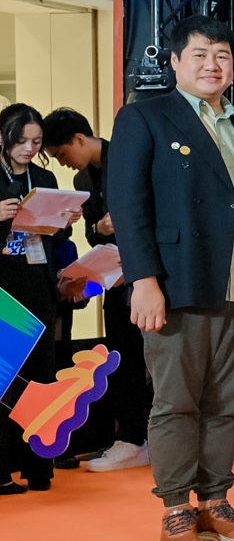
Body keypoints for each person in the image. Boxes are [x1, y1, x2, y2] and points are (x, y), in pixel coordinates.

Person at [107, 17, 234, 541]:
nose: (212, 65)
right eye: (200, 54)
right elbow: (128, 205)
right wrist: (144, 281)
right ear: (175, 62)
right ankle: (176, 509)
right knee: (176, 401)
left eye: (222, 55)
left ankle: (215, 502)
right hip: (177, 284)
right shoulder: (144, 116)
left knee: (227, 403)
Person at [42, 107, 153, 474]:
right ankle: (132, 437)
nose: (63, 163)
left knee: (159, 358)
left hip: (149, 274)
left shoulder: (129, 156)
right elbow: (93, 234)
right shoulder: (82, 181)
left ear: (79, 139)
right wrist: (100, 230)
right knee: (122, 354)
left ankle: (155, 436)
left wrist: (123, 227)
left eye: (62, 154)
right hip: (114, 280)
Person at [0, 105, 81, 495]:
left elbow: (54, 239)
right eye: (21, 141)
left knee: (41, 377)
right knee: (4, 380)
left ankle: (38, 467)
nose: (29, 149)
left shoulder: (44, 177)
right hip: (4, 291)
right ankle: (2, 469)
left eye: (36, 142)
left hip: (39, 286)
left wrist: (64, 221)